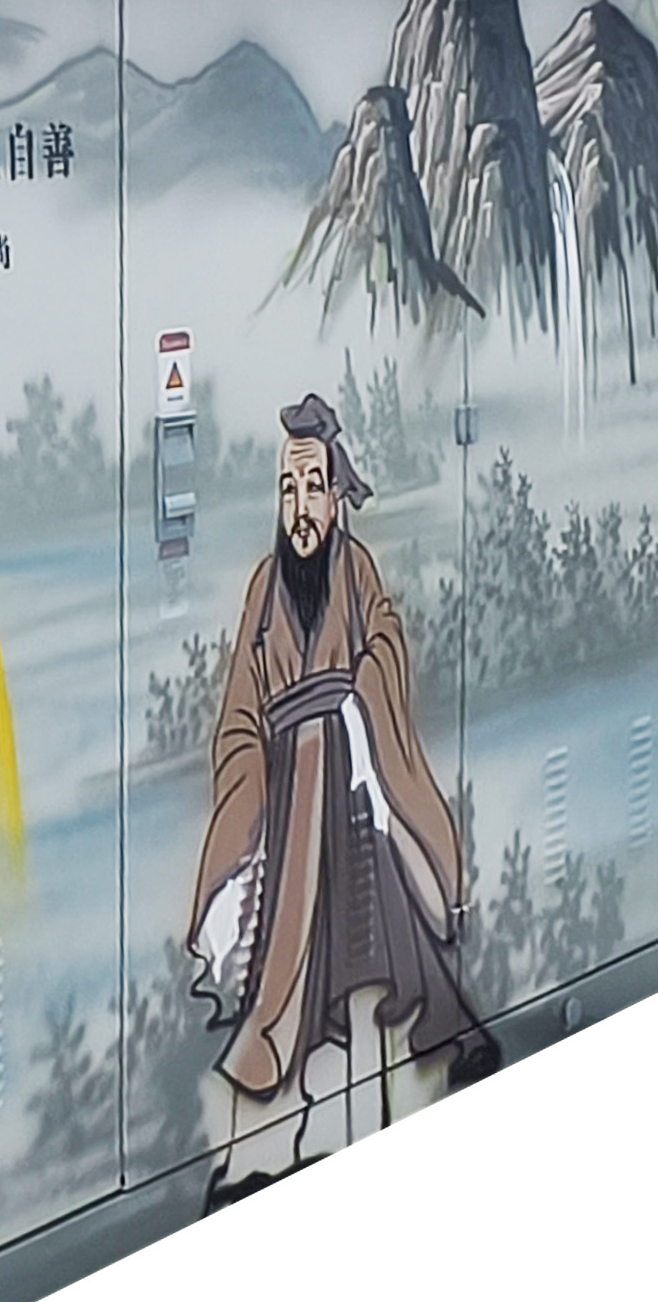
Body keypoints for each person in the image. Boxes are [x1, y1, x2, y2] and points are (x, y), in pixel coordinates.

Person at [187, 392, 489, 1195]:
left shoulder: (356, 572)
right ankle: (275, 1153)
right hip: (289, 824)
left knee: (368, 995)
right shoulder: (265, 586)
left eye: (313, 488)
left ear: (336, 495)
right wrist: (253, 781)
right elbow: (240, 712)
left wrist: (353, 698)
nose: (299, 509)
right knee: (290, 986)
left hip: (355, 822)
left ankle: (359, 1131)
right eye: (287, 490)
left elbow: (385, 645)